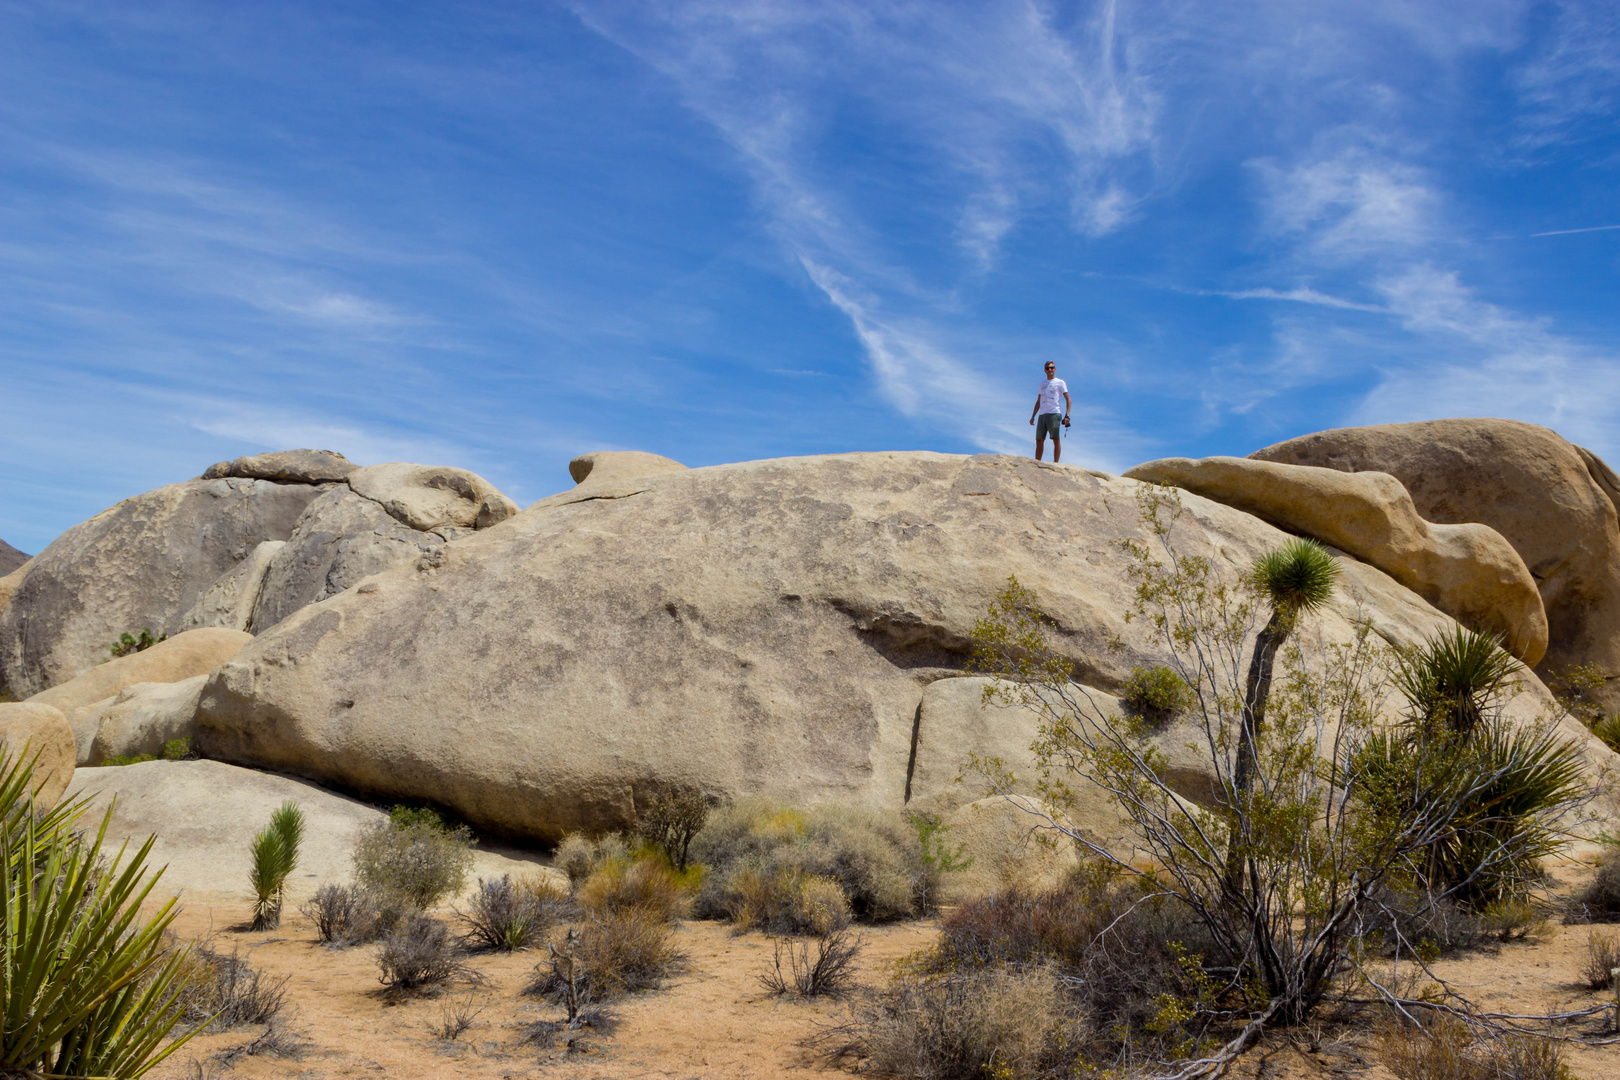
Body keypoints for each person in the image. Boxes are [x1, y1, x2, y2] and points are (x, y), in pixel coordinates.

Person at [1029, 361, 1071, 462]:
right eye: (1047, 368)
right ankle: (1037, 462)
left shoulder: (1060, 382)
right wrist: (1033, 416)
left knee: (1055, 438)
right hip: (1042, 414)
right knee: (1039, 439)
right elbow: (1038, 401)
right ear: (1044, 370)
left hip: (1054, 413)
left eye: (1052, 368)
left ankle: (1056, 463)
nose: (1050, 370)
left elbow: (1068, 400)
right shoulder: (1042, 384)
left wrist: (1067, 415)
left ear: (1055, 369)